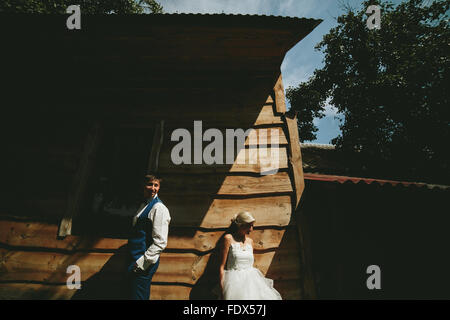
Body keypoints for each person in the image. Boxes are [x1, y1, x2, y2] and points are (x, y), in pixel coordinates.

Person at [218, 211, 282, 300]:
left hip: (252, 283)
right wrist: (222, 290)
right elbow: (221, 267)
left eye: (252, 226)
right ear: (241, 225)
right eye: (249, 226)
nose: (251, 229)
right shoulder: (228, 239)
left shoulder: (250, 242)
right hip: (234, 284)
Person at [127, 174, 171, 300]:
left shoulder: (159, 208)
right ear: (143, 186)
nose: (153, 188)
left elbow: (160, 242)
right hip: (135, 259)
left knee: (139, 297)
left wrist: (141, 263)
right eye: (150, 184)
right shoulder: (145, 204)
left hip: (143, 263)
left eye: (156, 185)